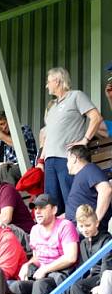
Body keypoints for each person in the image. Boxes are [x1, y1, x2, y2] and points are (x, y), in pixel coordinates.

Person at [41, 67, 104, 215]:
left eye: (48, 81)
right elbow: (48, 134)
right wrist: (40, 159)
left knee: (72, 201)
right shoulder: (52, 107)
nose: (46, 85)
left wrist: (85, 140)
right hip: (49, 161)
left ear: (57, 80)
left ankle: (79, 234)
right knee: (51, 206)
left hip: (67, 158)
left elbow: (96, 117)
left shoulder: (76, 96)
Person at [13, 194, 79, 294]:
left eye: (42, 208)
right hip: (41, 274)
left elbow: (71, 257)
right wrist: (27, 265)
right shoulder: (34, 230)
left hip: (61, 275)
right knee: (16, 287)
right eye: (35, 208)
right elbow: (37, 257)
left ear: (54, 210)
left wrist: (45, 269)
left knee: (40, 285)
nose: (37, 211)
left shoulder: (65, 225)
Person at [66, 205, 112, 294]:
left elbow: (107, 266)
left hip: (105, 276)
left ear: (96, 223)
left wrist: (101, 286)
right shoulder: (83, 243)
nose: (84, 229)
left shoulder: (106, 240)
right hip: (93, 278)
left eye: (88, 225)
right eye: (81, 226)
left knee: (106, 275)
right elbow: (82, 268)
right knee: (73, 285)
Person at [66, 144, 112, 230]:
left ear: (74, 158)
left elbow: (106, 190)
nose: (67, 164)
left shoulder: (89, 168)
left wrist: (95, 221)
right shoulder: (80, 176)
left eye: (67, 160)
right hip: (77, 228)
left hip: (87, 229)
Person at [0, 110, 38, 185]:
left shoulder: (23, 129)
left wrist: (2, 136)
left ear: (10, 121)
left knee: (4, 169)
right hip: (4, 169)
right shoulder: (3, 138)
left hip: (24, 168)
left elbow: (19, 146)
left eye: (2, 124)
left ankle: (9, 195)